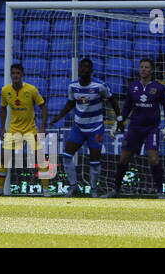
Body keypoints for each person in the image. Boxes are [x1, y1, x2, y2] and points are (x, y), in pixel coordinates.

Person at [102, 58, 165, 199]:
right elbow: (127, 106)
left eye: (146, 67)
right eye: (141, 67)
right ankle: (115, 189)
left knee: (153, 158)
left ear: (152, 70)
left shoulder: (159, 87)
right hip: (134, 127)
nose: (143, 69)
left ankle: (159, 191)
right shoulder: (132, 86)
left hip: (151, 128)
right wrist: (118, 121)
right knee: (124, 158)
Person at [49, 58, 117, 197]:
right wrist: (59, 117)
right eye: (82, 67)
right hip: (79, 128)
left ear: (91, 71)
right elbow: (71, 103)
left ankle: (93, 190)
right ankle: (74, 186)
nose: (85, 70)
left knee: (94, 160)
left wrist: (119, 119)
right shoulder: (73, 86)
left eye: (88, 68)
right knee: (67, 156)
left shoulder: (99, 86)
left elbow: (112, 99)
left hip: (96, 129)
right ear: (79, 69)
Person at [0, 63, 50, 197]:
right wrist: (2, 128)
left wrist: (42, 126)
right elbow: (2, 108)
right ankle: (0, 189)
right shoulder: (5, 91)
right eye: (13, 73)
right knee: (4, 157)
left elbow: (43, 106)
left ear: (22, 75)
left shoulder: (31, 90)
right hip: (14, 129)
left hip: (30, 130)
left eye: (18, 73)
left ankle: (46, 189)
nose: (15, 76)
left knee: (40, 158)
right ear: (10, 75)